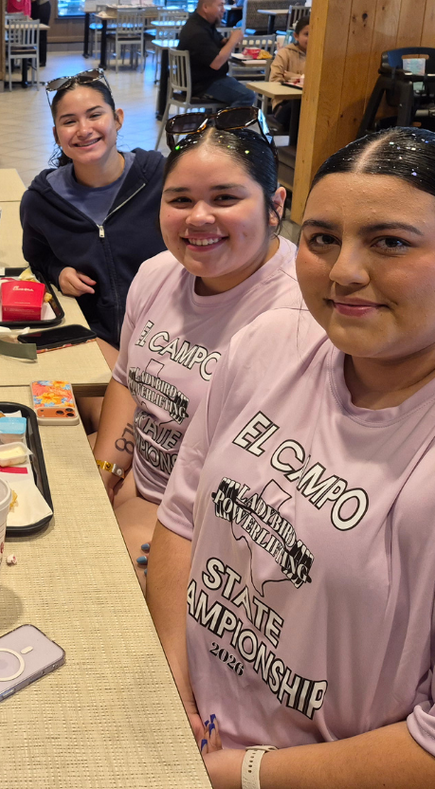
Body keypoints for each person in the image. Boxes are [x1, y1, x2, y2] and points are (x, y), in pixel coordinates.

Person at [148, 126, 435, 788]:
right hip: (181, 717)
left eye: (390, 241)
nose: (344, 272)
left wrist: (238, 772)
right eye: (323, 238)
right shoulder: (270, 344)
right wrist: (171, 675)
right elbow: (184, 514)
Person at [92, 127, 300, 590]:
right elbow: (127, 381)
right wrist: (106, 474)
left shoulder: (300, 315)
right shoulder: (158, 273)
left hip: (214, 535)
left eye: (225, 197)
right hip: (139, 491)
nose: (199, 218)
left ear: (276, 205)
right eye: (180, 200)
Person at [20, 71, 165, 358]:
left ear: (118, 118)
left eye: (94, 115)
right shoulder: (42, 200)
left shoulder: (161, 179)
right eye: (69, 121)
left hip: (166, 336)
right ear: (56, 134)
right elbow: (37, 257)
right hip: (93, 335)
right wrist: (58, 272)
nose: (83, 129)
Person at [177, 0, 255, 107]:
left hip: (206, 79)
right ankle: (222, 125)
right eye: (220, 5)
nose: (223, 10)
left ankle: (213, 121)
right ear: (206, 7)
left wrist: (228, 42)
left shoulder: (203, 24)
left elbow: (218, 42)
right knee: (247, 95)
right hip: (203, 84)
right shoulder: (197, 32)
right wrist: (232, 41)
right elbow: (216, 63)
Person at [18, 0, 51, 69]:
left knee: (41, 34)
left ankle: (42, 60)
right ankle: (33, 58)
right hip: (36, 6)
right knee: (34, 34)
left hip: (42, 6)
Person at [270, 15, 309, 82]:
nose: (311, 38)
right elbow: (274, 80)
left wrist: (296, 77)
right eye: (307, 34)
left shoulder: (321, 56)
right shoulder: (284, 54)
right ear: (296, 36)